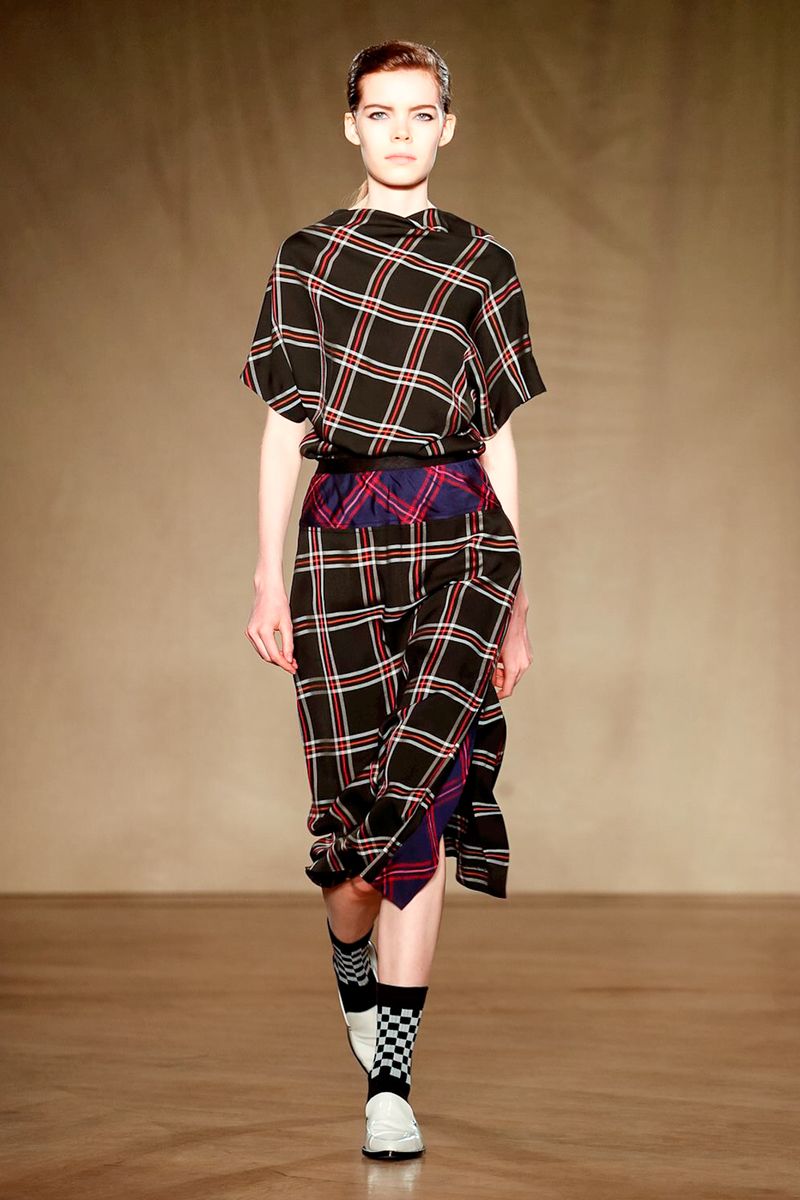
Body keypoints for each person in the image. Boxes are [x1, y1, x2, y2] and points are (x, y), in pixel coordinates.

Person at [240, 40, 546, 1160]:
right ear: (351, 124)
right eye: (381, 113)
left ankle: (390, 1084)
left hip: (464, 541)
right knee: (352, 842)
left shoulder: (483, 263)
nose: (402, 132)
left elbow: (498, 435)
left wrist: (518, 597)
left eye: (421, 113)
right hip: (339, 543)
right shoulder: (308, 258)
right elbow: (284, 426)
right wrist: (265, 571)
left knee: (425, 796)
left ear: (447, 126)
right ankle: (350, 955)